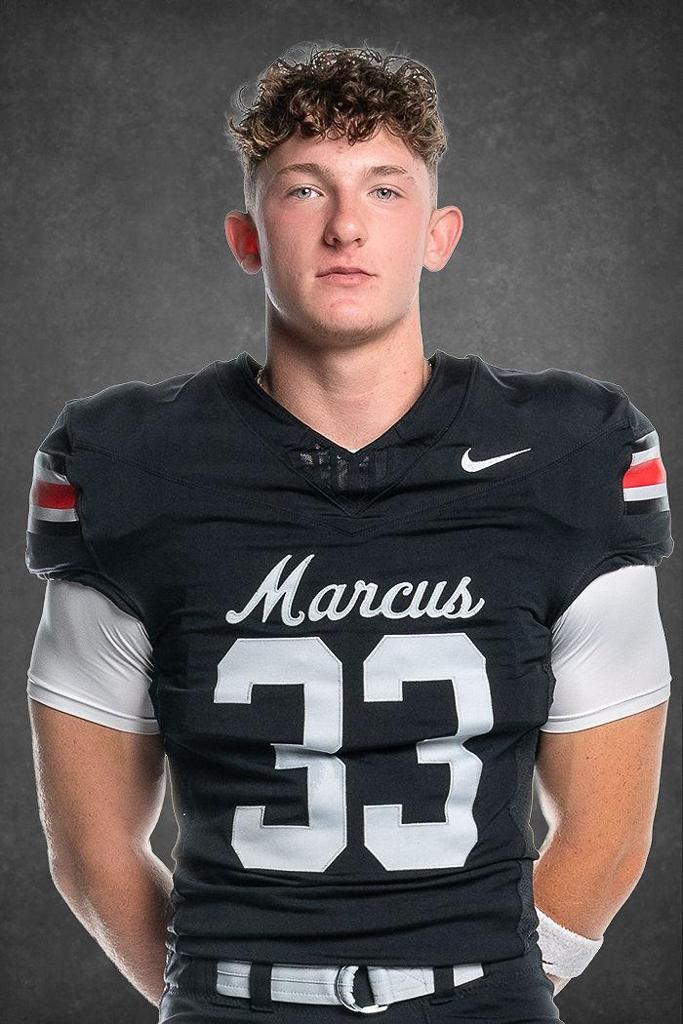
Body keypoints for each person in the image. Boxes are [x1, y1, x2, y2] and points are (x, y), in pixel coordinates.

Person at [25, 44, 673, 1024]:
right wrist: (219, 997)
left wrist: (485, 991)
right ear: (246, 237)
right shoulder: (130, 462)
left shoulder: (568, 452)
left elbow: (607, 833)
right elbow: (91, 849)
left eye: (383, 188)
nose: (344, 226)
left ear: (438, 234)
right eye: (303, 189)